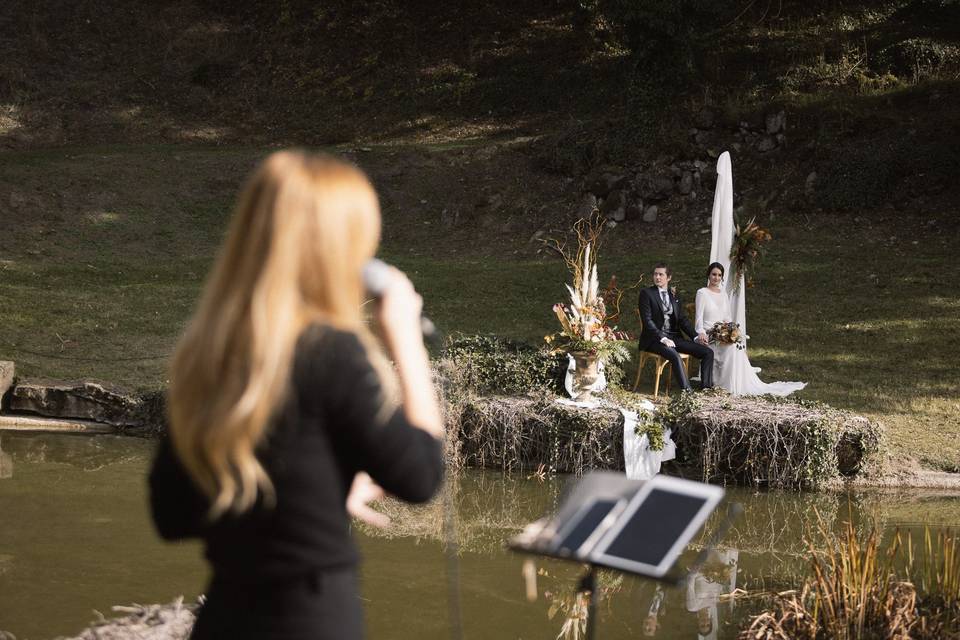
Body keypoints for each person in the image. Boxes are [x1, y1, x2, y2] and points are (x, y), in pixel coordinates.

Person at [148, 151, 445, 640]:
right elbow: (421, 476)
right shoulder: (333, 353)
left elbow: (172, 514)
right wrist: (407, 342)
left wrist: (310, 493)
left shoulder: (208, 355)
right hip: (311, 620)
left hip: (224, 620)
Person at [695, 262, 806, 396]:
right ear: (708, 275)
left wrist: (731, 331)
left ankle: (735, 384)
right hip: (710, 335)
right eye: (714, 274)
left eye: (719, 275)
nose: (716, 278)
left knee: (736, 346)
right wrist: (701, 333)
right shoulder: (702, 293)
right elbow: (699, 318)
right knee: (730, 349)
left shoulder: (723, 295)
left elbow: (727, 317)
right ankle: (722, 384)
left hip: (723, 332)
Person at [638, 263, 714, 392]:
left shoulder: (674, 295)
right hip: (654, 339)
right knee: (674, 355)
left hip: (674, 337)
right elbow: (647, 321)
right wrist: (662, 338)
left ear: (669, 278)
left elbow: (682, 320)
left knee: (707, 352)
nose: (657, 277)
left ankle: (706, 388)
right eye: (655, 274)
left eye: (661, 274)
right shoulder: (646, 293)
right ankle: (687, 392)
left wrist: (695, 337)